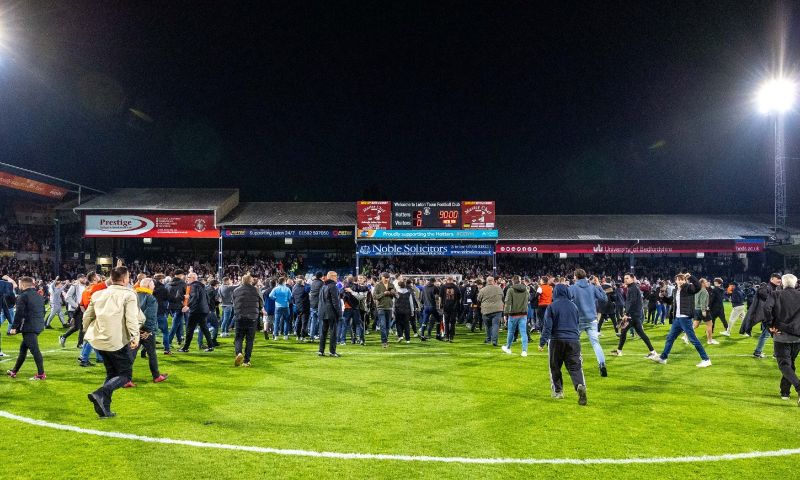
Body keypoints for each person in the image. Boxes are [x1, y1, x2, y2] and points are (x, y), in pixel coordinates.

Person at [84, 266, 141, 418]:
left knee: (111, 373)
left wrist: (86, 331)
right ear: (125, 279)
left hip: (98, 339)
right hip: (116, 340)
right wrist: (136, 337)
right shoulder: (129, 295)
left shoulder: (98, 294)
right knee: (125, 375)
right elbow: (131, 319)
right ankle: (100, 393)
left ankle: (104, 408)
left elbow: (87, 316)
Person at [538, 284, 588, 406]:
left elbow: (547, 326)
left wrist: (542, 342)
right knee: (575, 367)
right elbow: (577, 322)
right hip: (573, 340)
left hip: (556, 340)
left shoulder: (552, 306)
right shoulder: (574, 306)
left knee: (555, 366)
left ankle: (558, 391)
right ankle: (579, 385)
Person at [649, 273, 711, 367]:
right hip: (677, 319)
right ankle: (663, 358)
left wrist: (690, 276)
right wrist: (663, 297)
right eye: (678, 279)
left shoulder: (688, 288)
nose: (680, 281)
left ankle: (706, 359)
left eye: (682, 279)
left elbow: (698, 287)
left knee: (693, 339)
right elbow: (670, 301)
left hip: (685, 318)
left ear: (685, 280)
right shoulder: (675, 290)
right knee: (670, 338)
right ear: (676, 280)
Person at [765, 273, 800, 405]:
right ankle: (785, 391)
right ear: (795, 284)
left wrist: (770, 325)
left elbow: (766, 308)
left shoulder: (776, 294)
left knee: (784, 365)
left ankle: (798, 387)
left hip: (781, 335)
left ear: (782, 284)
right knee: (791, 364)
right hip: (797, 337)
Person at [569, 270, 608, 377]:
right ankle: (602, 363)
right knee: (596, 343)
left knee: (574, 342)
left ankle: (577, 363)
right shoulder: (592, 287)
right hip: (592, 319)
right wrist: (599, 285)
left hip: (578, 320)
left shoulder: (572, 288)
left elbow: (566, 300)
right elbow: (604, 298)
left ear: (576, 277)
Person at [6, 277, 46, 380]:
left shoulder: (23, 296)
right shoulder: (39, 295)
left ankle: (41, 374)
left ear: (23, 285)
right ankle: (14, 371)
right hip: (38, 325)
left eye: (19, 284)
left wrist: (14, 327)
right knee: (23, 349)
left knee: (35, 351)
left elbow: (19, 313)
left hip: (29, 327)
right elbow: (43, 311)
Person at [130, 278, 168, 385]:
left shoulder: (133, 296)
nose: (154, 286)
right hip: (145, 331)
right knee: (152, 354)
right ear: (147, 286)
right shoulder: (150, 298)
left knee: (131, 354)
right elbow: (150, 315)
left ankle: (125, 378)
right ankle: (156, 376)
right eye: (152, 285)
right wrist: (149, 330)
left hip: (134, 330)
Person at [611, 273, 658, 359]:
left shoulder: (632, 288)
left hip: (632, 315)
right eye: (624, 278)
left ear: (632, 279)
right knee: (639, 333)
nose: (625, 280)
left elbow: (631, 302)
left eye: (627, 278)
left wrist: (626, 314)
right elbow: (631, 302)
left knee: (624, 331)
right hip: (635, 315)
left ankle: (619, 351)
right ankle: (653, 352)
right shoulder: (632, 287)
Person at [178, 272, 214, 352]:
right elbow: (207, 298)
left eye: (188, 277)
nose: (187, 279)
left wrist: (188, 306)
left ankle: (185, 348)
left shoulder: (193, 286)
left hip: (196, 311)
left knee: (190, 329)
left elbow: (195, 297)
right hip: (203, 310)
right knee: (204, 328)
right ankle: (211, 346)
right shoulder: (201, 286)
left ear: (193, 278)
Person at [748, 274, 782, 359]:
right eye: (777, 279)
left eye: (780, 279)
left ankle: (760, 352)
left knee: (770, 334)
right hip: (768, 316)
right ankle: (763, 352)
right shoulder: (766, 286)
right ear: (771, 279)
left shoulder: (776, 288)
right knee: (770, 334)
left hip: (772, 316)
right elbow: (761, 292)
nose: (779, 280)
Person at [232, 274, 263, 367]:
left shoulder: (236, 290)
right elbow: (262, 303)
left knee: (238, 338)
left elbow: (233, 302)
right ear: (251, 281)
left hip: (239, 316)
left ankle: (238, 353)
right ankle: (246, 361)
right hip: (252, 317)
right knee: (250, 340)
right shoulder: (256, 290)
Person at [681, 278, 718, 346]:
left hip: (696, 309)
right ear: (702, 283)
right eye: (706, 282)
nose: (707, 283)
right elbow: (702, 302)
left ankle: (685, 336)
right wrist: (704, 310)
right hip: (702, 310)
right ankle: (710, 340)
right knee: (710, 324)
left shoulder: (697, 290)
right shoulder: (704, 291)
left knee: (695, 325)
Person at [501, 275, 529, 357]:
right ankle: (524, 351)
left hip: (513, 314)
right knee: (523, 333)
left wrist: (505, 314)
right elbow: (528, 299)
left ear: (513, 281)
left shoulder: (510, 290)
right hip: (523, 314)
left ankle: (508, 348)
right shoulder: (526, 289)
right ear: (520, 281)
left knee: (511, 332)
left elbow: (508, 303)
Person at [318, 271, 342, 357]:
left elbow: (320, 300)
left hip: (323, 312)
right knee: (333, 332)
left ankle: (321, 351)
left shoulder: (323, 286)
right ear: (331, 277)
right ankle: (332, 351)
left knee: (323, 332)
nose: (337, 278)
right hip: (331, 312)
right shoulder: (333, 287)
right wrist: (339, 314)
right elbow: (335, 302)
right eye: (336, 276)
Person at [478, 276, 504, 347]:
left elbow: (478, 299)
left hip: (486, 310)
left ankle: (488, 339)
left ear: (487, 282)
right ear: (493, 281)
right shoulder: (499, 289)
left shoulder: (483, 290)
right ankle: (494, 341)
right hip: (497, 309)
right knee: (495, 325)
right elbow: (502, 297)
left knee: (488, 325)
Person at [373, 273, 396, 348]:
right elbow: (374, 296)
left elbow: (396, 295)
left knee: (388, 326)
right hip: (381, 308)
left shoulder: (391, 285)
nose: (386, 279)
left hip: (389, 307)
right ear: (381, 278)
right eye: (385, 277)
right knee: (383, 325)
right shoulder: (378, 285)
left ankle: (385, 340)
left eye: (388, 278)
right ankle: (384, 341)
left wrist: (393, 293)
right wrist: (384, 293)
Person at [166, 269, 187, 348]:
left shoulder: (168, 284)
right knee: (175, 324)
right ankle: (168, 341)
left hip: (170, 306)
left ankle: (179, 339)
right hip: (180, 306)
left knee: (178, 323)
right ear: (181, 275)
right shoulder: (183, 284)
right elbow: (187, 295)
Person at [152, 273, 172, 355]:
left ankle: (144, 350)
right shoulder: (163, 289)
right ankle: (167, 349)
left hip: (151, 313)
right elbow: (169, 298)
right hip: (160, 312)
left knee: (150, 332)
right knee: (165, 332)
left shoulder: (150, 288)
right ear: (161, 280)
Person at [440, 276, 461, 342]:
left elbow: (440, 297)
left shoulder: (443, 287)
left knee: (446, 322)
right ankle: (451, 337)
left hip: (445, 307)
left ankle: (446, 336)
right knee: (452, 322)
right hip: (454, 307)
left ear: (447, 280)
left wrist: (440, 305)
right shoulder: (456, 287)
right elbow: (459, 297)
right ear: (452, 280)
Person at [308, 271, 324, 340]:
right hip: (319, 304)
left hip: (312, 304)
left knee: (313, 321)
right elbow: (323, 294)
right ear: (321, 276)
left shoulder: (313, 283)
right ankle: (321, 335)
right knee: (321, 321)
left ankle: (311, 336)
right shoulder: (321, 283)